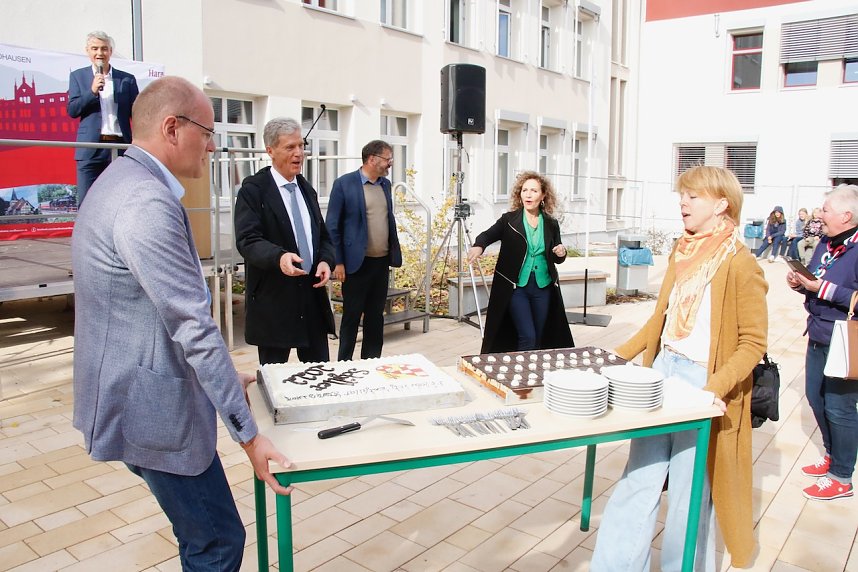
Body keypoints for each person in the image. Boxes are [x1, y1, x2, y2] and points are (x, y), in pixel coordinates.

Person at [71, 76, 292, 570]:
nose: (213, 145)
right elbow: (192, 326)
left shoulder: (122, 181)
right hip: (150, 413)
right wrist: (250, 438)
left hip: (134, 398)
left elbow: (140, 312)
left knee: (203, 535)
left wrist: (218, 383)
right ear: (172, 128)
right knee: (216, 543)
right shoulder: (145, 203)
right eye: (208, 131)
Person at [591, 166, 767, 571]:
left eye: (694, 196)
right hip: (662, 374)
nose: (683, 202)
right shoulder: (682, 250)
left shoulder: (741, 264)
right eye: (682, 194)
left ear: (722, 204)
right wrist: (614, 357)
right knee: (639, 479)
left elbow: (753, 343)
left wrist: (714, 389)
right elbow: (661, 320)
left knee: (691, 496)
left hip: (702, 383)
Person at [235, 117, 335, 365]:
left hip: (311, 299)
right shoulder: (254, 190)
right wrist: (279, 257)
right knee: (274, 381)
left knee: (319, 374)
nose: (299, 153)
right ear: (270, 151)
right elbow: (248, 240)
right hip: (274, 303)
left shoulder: (306, 188)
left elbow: (322, 236)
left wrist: (325, 260)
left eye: (301, 146)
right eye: (290, 147)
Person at [787, 184, 858, 501]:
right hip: (817, 333)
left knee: (839, 408)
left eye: (826, 209)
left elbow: (835, 290)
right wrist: (801, 284)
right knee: (815, 399)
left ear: (846, 215)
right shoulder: (826, 243)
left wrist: (821, 287)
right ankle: (831, 454)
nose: (820, 214)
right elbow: (815, 281)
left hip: (845, 340)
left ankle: (842, 476)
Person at [466, 171, 574, 353]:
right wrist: (479, 246)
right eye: (525, 190)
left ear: (543, 195)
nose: (528, 194)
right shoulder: (509, 221)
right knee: (528, 336)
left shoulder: (551, 223)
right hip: (516, 287)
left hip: (543, 287)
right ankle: (523, 372)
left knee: (539, 335)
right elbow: (487, 235)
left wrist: (561, 252)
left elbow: (557, 256)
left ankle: (534, 373)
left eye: (533, 190)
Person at [325, 140, 403, 361]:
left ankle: (371, 362)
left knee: (375, 317)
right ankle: (344, 365)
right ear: (372, 159)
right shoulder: (344, 184)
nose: (390, 163)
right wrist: (338, 262)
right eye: (387, 159)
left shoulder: (385, 185)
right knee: (351, 316)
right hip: (355, 264)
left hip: (380, 263)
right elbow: (332, 225)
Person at [67, 31, 139, 205]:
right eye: (95, 48)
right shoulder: (78, 76)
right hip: (91, 148)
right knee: (86, 202)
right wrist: (92, 91)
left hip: (120, 146)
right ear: (88, 51)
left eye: (104, 49)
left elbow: (137, 114)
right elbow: (73, 110)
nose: (100, 53)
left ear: (110, 51)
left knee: (119, 200)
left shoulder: (127, 79)